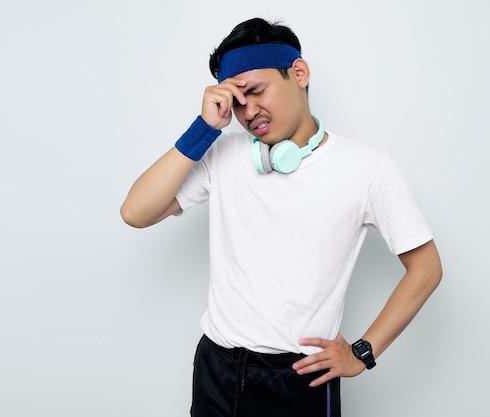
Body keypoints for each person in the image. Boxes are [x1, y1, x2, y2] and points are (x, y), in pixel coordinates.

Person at [120, 17, 442, 417]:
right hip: (217, 370)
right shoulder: (223, 154)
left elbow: (426, 268)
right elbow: (136, 211)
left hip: (299, 380)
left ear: (299, 74)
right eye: (236, 102)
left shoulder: (367, 168)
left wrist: (362, 353)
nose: (248, 111)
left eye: (256, 91)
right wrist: (204, 128)